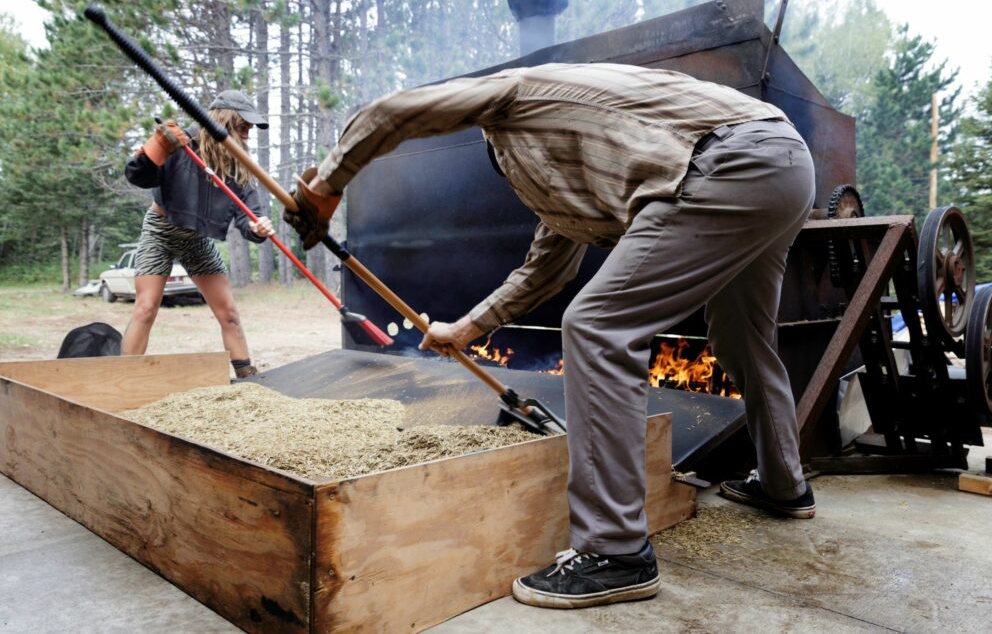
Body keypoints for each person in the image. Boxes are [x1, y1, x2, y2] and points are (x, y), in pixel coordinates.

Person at [283, 62, 817, 608]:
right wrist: (467, 329)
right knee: (743, 338)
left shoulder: (515, 97)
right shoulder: (573, 160)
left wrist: (326, 187)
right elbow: (547, 270)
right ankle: (783, 484)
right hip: (786, 164)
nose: (519, 179)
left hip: (727, 161)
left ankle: (616, 552)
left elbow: (388, 113)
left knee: (596, 327)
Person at [123, 90, 274, 379]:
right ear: (225, 121)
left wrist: (257, 228)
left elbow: (248, 217)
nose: (247, 135)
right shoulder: (181, 144)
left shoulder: (239, 167)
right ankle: (124, 379)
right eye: (244, 126)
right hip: (161, 231)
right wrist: (157, 148)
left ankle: (248, 379)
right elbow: (137, 175)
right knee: (145, 308)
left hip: (196, 241)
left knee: (228, 312)